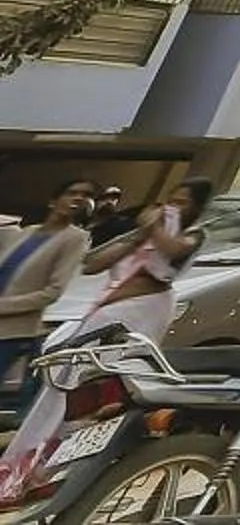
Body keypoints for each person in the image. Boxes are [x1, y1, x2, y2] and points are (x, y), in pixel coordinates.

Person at [0, 179, 214, 499]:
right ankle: (28, 464)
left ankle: (48, 466)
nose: (172, 207)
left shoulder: (191, 236)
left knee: (86, 389)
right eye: (171, 199)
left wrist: (155, 227)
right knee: (60, 383)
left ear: (196, 208)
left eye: (182, 203)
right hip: (101, 315)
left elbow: (173, 251)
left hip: (137, 316)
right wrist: (138, 235)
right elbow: (94, 265)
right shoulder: (146, 236)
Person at [0, 183, 96, 423]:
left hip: (15, 328)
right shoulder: (28, 232)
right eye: (72, 193)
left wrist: (5, 307)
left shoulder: (75, 238)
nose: (78, 199)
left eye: (85, 196)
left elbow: (52, 292)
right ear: (54, 201)